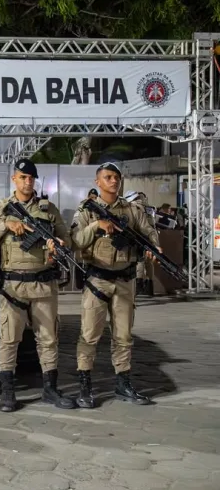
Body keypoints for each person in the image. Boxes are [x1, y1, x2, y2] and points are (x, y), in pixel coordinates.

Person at [0, 160, 76, 412]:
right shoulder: (0, 209)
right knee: (9, 340)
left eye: (31, 177)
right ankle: (7, 393)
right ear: (14, 179)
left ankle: (50, 389)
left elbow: (67, 240)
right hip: (13, 285)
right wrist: (4, 226)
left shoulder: (48, 209)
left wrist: (58, 246)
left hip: (43, 283)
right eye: (22, 177)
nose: (27, 182)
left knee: (49, 339)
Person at [71, 162, 161, 407]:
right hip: (97, 280)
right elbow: (76, 241)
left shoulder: (131, 210)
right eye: (108, 177)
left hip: (125, 280)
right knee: (89, 336)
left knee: (123, 336)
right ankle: (85, 385)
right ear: (97, 182)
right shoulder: (86, 211)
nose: (113, 181)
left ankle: (123, 383)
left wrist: (155, 246)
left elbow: (148, 231)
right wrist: (96, 226)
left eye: (117, 177)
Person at [126, 192, 156, 296]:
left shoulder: (135, 207)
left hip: (139, 237)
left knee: (139, 261)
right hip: (151, 237)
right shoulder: (149, 208)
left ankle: (138, 287)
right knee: (149, 262)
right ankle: (149, 288)